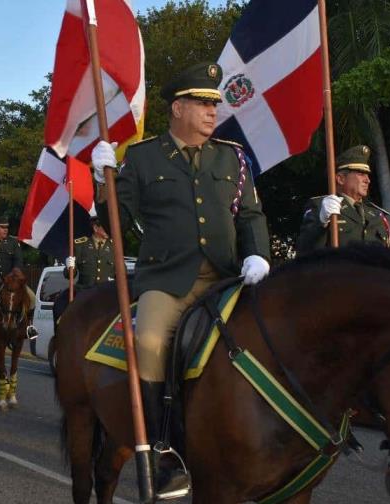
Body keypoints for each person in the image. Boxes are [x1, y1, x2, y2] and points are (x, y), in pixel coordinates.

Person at [91, 62, 271, 499]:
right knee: (151, 343)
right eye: (203, 103)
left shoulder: (233, 157)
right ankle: (160, 451)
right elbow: (121, 222)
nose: (213, 111)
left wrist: (258, 254)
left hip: (228, 278)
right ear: (177, 108)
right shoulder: (143, 156)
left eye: (215, 103)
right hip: (169, 279)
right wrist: (103, 182)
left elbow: (250, 214)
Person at [295, 145, 390, 253]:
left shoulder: (376, 215)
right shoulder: (321, 207)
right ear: (341, 179)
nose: (368, 180)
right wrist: (321, 222)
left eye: (367, 175)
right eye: (361, 174)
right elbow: (304, 250)